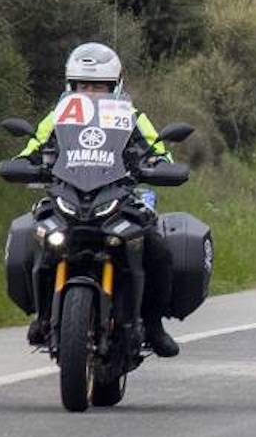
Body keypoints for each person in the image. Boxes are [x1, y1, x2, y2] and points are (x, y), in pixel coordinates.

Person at [16, 43, 181, 358]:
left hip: (118, 197)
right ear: (71, 85)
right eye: (83, 86)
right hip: (67, 195)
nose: (90, 93)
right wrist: (25, 163)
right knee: (32, 236)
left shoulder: (132, 117)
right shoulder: (57, 117)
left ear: (114, 85)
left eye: (99, 87)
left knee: (157, 248)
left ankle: (154, 324)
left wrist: (158, 166)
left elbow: (161, 153)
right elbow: (32, 148)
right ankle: (42, 316)